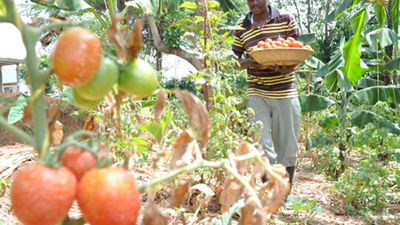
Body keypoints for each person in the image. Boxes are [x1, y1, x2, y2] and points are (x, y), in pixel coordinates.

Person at [232, 0, 301, 194]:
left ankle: (285, 195)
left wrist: (288, 68)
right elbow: (235, 60)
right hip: (256, 92)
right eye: (250, 0)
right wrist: (249, 63)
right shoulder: (241, 26)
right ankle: (269, 192)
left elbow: (296, 49)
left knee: (287, 148)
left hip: (285, 91)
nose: (255, 3)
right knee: (261, 146)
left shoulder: (285, 19)